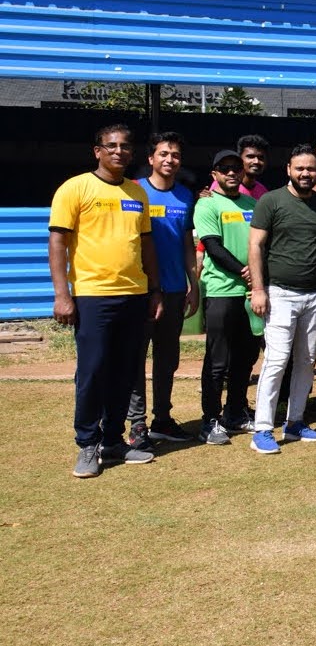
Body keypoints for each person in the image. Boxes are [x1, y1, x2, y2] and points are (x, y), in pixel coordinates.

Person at [51, 124, 162, 476]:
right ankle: (87, 444)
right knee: (93, 371)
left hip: (134, 295)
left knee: (125, 372)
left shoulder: (137, 192)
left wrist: (154, 290)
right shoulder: (75, 188)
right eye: (111, 146)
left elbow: (146, 244)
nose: (119, 151)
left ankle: (113, 440)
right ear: (97, 151)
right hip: (92, 295)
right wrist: (62, 295)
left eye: (125, 146)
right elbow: (58, 242)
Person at [247, 145, 316, 454]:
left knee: (307, 361)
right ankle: (262, 428)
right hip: (280, 294)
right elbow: (255, 245)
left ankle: (295, 422)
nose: (305, 173)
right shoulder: (271, 201)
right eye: (300, 168)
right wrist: (259, 289)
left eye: (311, 168)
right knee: (276, 360)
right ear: (288, 169)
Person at [127, 131, 198, 447]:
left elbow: (186, 244)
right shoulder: (134, 190)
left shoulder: (185, 196)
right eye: (164, 154)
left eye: (176, 155)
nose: (170, 159)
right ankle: (137, 424)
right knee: (135, 359)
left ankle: (163, 420)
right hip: (140, 291)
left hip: (174, 290)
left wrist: (193, 285)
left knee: (167, 360)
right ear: (151, 158)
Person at [193, 150, 261, 444]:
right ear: (215, 174)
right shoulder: (207, 204)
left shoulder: (253, 205)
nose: (232, 173)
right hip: (222, 290)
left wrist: (257, 276)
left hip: (251, 292)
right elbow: (213, 246)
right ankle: (210, 420)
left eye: (236, 168)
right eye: (225, 169)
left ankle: (235, 411)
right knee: (217, 360)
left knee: (246, 356)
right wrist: (246, 271)